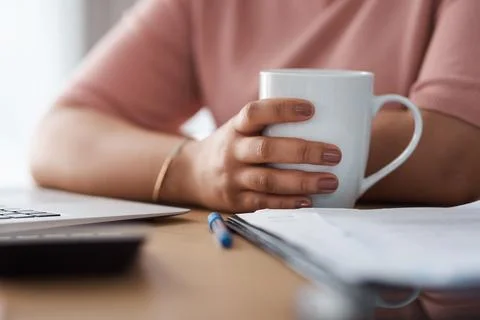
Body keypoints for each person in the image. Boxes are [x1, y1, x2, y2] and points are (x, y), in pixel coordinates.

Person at [29, 0, 480, 317]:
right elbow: (58, 136)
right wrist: (194, 166)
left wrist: (250, 160)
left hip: (408, 293)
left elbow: (453, 155)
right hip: (250, 276)